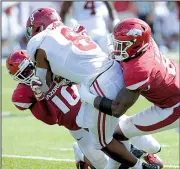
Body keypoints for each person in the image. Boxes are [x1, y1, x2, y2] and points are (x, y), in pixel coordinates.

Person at [25, 8, 162, 169]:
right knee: (84, 119)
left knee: (103, 142)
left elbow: (45, 83)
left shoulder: (38, 41)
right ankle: (138, 150)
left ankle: (140, 165)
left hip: (100, 82)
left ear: (39, 27)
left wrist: (46, 84)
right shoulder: (69, 29)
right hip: (114, 70)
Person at [6, 50, 163, 169]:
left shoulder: (53, 65)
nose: (30, 74)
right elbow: (50, 119)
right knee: (105, 166)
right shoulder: (24, 93)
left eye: (30, 68)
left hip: (95, 112)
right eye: (24, 74)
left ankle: (142, 151)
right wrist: (39, 95)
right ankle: (83, 154)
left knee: (153, 145)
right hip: (77, 129)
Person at [78, 18, 180, 145]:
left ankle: (145, 154)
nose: (116, 48)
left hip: (174, 107)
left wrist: (87, 97)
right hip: (174, 86)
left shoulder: (138, 69)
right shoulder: (146, 43)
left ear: (136, 44)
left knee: (117, 133)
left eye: (122, 44)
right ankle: (146, 153)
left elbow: (117, 109)